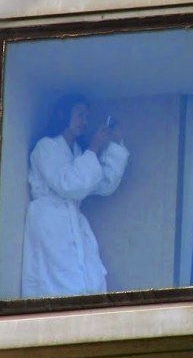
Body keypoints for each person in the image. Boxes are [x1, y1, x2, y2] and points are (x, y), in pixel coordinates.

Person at [21, 93, 130, 298]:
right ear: (64, 114)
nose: (84, 122)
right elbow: (68, 184)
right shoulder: (46, 147)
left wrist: (114, 143)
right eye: (80, 114)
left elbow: (104, 184)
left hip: (72, 221)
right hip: (51, 222)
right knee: (56, 282)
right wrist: (94, 149)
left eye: (87, 117)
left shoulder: (78, 153)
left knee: (88, 282)